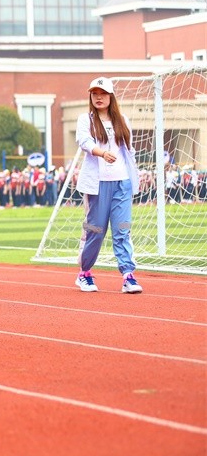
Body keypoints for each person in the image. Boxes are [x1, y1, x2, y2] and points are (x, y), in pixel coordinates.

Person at [75, 77, 143, 294]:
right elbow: (84, 142)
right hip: (97, 184)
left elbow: (129, 150)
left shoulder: (122, 119)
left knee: (123, 228)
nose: (98, 97)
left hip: (122, 182)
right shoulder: (85, 119)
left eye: (103, 93)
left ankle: (128, 275)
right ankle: (84, 273)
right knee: (95, 230)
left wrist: (134, 177)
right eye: (94, 94)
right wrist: (102, 153)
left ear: (111, 96)